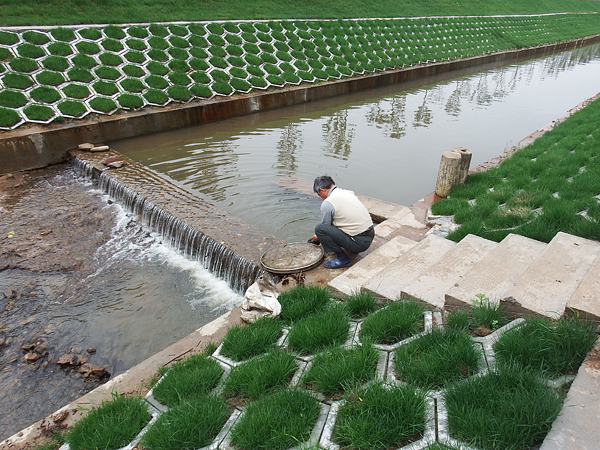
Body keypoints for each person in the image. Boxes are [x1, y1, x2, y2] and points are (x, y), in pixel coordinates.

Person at [309, 175, 375, 269]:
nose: (321, 197)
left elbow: (325, 227)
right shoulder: (347, 193)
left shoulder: (328, 203)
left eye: (319, 194)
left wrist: (317, 238)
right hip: (370, 234)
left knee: (319, 229)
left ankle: (343, 259)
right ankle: (352, 247)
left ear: (322, 190)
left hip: (359, 243)